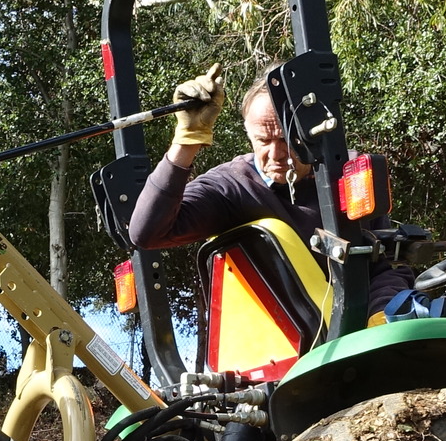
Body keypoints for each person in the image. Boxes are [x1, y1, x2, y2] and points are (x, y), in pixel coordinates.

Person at [127, 65, 413, 319]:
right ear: (248, 133)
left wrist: (382, 315)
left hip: (346, 338)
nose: (276, 154)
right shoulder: (231, 186)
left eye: (287, 139)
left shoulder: (348, 174)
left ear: (312, 132)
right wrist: (188, 141)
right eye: (263, 140)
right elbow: (148, 233)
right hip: (268, 353)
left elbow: (383, 264)